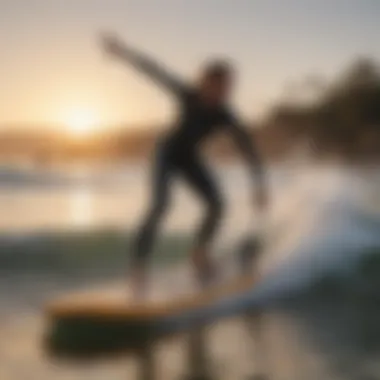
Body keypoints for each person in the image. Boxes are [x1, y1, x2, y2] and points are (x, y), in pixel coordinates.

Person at [101, 32, 268, 298]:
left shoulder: (225, 114)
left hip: (189, 158)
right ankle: (138, 268)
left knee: (217, 204)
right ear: (205, 83)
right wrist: (123, 53)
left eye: (228, 88)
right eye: (218, 86)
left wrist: (259, 186)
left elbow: (248, 149)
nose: (223, 92)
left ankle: (199, 254)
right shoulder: (188, 95)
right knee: (160, 205)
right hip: (167, 153)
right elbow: (155, 71)